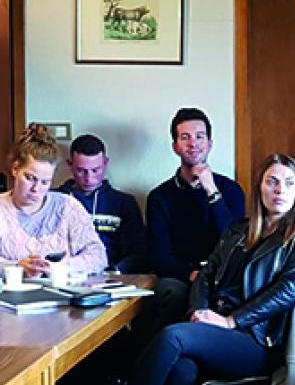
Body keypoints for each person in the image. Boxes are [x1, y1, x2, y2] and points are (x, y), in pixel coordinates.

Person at [127, 154, 295, 385]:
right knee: (181, 370)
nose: (279, 190)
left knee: (172, 337)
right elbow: (206, 275)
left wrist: (231, 321)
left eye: (289, 183)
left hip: (255, 338)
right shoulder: (238, 230)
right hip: (216, 324)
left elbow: (287, 291)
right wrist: (198, 311)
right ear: (259, 189)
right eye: (272, 182)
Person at [146, 107, 245, 328]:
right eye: (185, 138)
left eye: (200, 136)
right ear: (175, 147)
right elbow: (159, 258)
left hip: (223, 279)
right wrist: (193, 274)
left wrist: (212, 191)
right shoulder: (160, 197)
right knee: (171, 292)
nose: (193, 143)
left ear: (210, 143)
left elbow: (235, 244)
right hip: (181, 277)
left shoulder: (230, 190)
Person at [0, 123, 107, 277]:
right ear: (15, 169)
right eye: (30, 178)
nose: (36, 189)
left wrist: (62, 266)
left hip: (62, 294)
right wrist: (16, 267)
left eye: (45, 182)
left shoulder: (67, 206)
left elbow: (98, 257)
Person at [58, 134, 146, 273]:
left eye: (95, 170)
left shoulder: (123, 203)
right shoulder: (56, 200)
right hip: (64, 274)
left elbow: (138, 252)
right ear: (70, 165)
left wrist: (115, 271)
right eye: (81, 171)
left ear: (105, 163)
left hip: (111, 277)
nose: (89, 178)